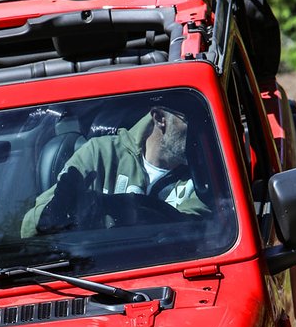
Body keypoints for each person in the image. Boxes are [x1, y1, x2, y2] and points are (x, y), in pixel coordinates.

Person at [21, 102, 207, 237]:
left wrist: (109, 205)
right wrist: (57, 211)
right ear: (159, 118)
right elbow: (29, 228)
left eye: (204, 121)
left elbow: (199, 232)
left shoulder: (207, 169)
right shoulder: (99, 153)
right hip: (99, 275)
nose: (200, 131)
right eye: (189, 120)